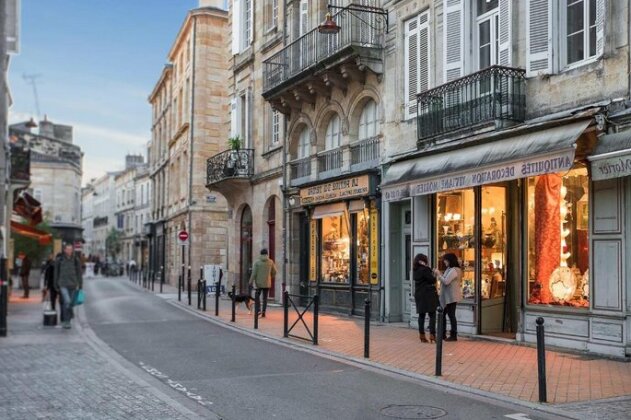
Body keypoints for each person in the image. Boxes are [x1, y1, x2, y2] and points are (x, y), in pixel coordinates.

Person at [434, 253, 463, 341]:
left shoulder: (455, 270)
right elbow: (444, 279)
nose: (444, 262)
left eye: (445, 260)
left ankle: (453, 335)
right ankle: (442, 334)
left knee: (451, 315)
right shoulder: (449, 269)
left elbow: (446, 281)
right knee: (443, 315)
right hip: (447, 297)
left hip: (451, 297)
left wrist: (439, 274)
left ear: (450, 260)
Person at [54, 244, 83, 329]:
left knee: (69, 303)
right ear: (65, 250)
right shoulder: (60, 260)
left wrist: (80, 284)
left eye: (71, 249)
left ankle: (68, 318)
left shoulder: (75, 260)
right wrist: (55, 284)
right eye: (68, 249)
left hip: (73, 284)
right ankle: (67, 321)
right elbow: (56, 273)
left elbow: (79, 272)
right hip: (63, 284)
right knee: (67, 301)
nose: (69, 251)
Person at [413, 253, 439, 343]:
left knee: (421, 315)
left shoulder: (415, 270)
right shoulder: (425, 269)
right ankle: (432, 335)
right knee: (432, 315)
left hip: (419, 294)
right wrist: (434, 274)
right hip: (428, 294)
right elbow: (432, 280)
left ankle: (422, 335)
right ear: (422, 261)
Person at [249, 248, 276, 318]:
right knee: (265, 298)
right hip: (267, 283)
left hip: (258, 283)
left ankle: (258, 309)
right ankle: (264, 312)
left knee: (257, 296)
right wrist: (271, 277)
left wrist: (250, 282)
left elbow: (254, 273)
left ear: (260, 254)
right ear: (267, 254)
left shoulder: (257, 262)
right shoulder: (271, 262)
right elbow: (274, 272)